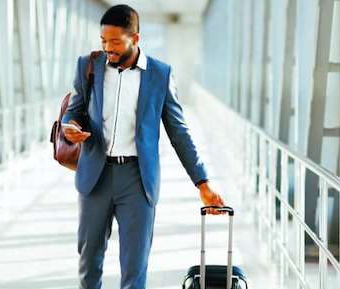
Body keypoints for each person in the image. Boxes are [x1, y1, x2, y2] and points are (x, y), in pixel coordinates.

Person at [62, 4, 226, 289]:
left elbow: (179, 132)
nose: (107, 48)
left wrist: (202, 182)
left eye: (115, 42)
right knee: (89, 264)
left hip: (137, 181)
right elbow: (74, 110)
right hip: (95, 176)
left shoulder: (159, 75)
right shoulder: (88, 65)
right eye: (103, 41)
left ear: (135, 39)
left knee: (135, 268)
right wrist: (70, 127)